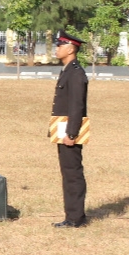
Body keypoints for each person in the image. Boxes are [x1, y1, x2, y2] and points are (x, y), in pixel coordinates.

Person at [51, 31, 89, 228]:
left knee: (73, 173)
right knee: (68, 172)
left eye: (60, 45)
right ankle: (72, 215)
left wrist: (71, 133)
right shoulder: (67, 70)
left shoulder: (76, 73)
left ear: (71, 49)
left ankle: (75, 218)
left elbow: (77, 106)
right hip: (63, 129)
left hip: (70, 132)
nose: (56, 49)